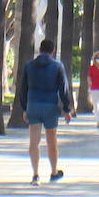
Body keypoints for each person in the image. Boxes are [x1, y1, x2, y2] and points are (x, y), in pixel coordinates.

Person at [21, 38, 73, 185]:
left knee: (34, 142)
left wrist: (25, 108)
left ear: (40, 50)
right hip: (50, 106)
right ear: (52, 51)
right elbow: (63, 90)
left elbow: (23, 89)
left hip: (33, 105)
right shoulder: (57, 66)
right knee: (52, 141)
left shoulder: (29, 66)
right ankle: (54, 172)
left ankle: (35, 174)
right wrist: (67, 109)